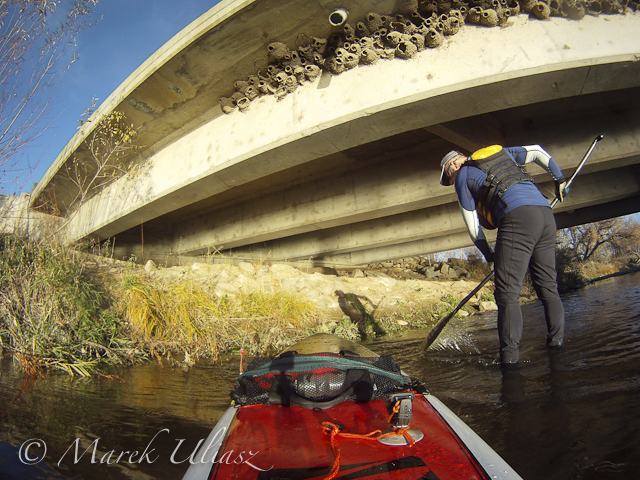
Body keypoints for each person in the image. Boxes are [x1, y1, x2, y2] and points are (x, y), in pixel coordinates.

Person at [439, 144, 568, 366]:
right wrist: (559, 178)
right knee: (548, 287)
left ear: (453, 165)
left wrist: (489, 254)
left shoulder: (462, 177)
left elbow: (473, 227)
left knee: (507, 294)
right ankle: (557, 350)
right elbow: (537, 151)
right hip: (545, 215)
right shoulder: (503, 153)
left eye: (448, 178)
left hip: (517, 218)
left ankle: (510, 363)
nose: (451, 182)